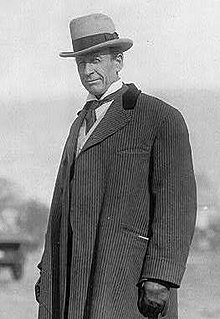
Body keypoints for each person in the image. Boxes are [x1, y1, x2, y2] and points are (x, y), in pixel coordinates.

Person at [35, 13, 197, 319]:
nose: (87, 70)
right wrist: (48, 268)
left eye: (95, 60)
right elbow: (61, 206)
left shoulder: (159, 117)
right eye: (81, 63)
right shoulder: (79, 124)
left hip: (126, 279)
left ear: (118, 60)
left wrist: (161, 276)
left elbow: (177, 204)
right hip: (74, 281)